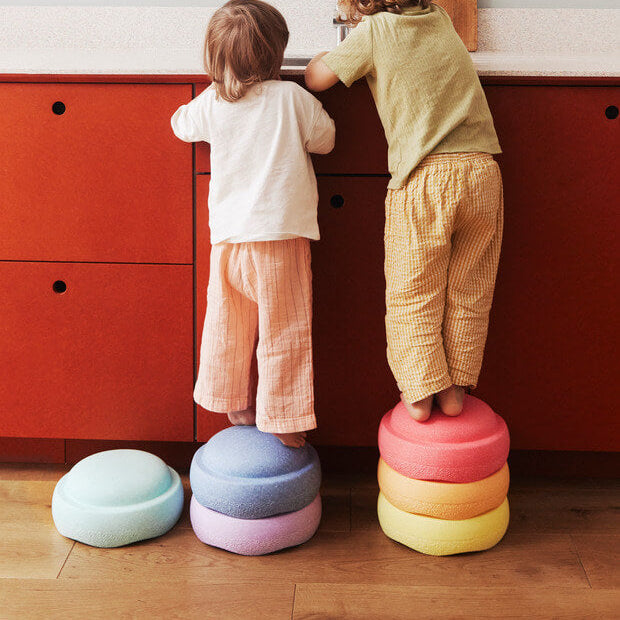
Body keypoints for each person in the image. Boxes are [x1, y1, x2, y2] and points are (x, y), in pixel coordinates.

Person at [305, 0, 503, 422]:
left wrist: (325, 56)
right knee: (469, 289)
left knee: (414, 293)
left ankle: (420, 393)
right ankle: (455, 388)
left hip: (426, 181)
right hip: (482, 173)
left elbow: (317, 79)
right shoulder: (441, 18)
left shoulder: (375, 31)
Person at [172, 0, 335, 446]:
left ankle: (233, 400)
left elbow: (180, 125)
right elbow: (326, 140)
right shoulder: (293, 98)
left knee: (228, 322)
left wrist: (215, 89)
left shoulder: (213, 101)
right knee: (285, 329)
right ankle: (285, 420)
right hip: (280, 238)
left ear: (215, 58)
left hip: (228, 241)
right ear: (277, 53)